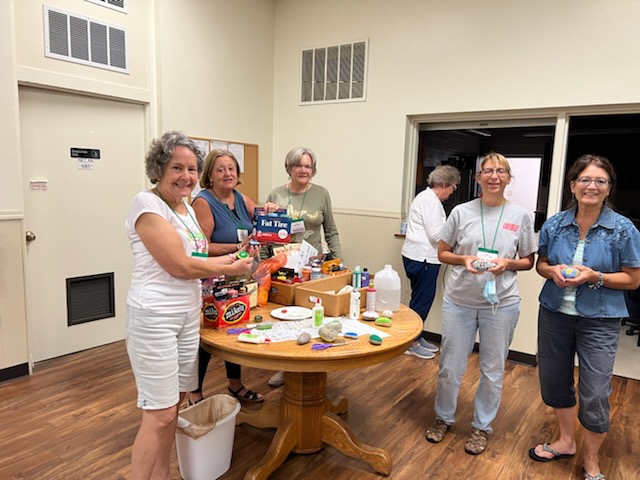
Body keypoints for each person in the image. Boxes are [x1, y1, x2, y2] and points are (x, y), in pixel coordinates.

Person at [125, 131, 253, 480]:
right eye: (177, 168)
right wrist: (232, 267)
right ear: (158, 170)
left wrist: (235, 259)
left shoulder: (185, 208)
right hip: (155, 316)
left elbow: (198, 256)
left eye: (192, 169)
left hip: (186, 315)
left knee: (175, 406)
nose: (186, 176)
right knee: (159, 414)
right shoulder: (146, 205)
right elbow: (179, 266)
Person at [528, 154, 640, 480]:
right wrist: (552, 272)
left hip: (600, 321)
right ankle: (566, 442)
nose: (592, 186)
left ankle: (592, 461)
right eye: (585, 180)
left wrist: (595, 276)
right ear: (573, 185)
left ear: (609, 188)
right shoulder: (555, 224)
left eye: (600, 181)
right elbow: (542, 264)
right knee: (554, 381)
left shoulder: (623, 230)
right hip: (554, 315)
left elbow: (633, 279)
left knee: (595, 392)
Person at [425, 152, 537, 455]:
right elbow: (443, 253)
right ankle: (443, 417)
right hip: (460, 301)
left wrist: (507, 264)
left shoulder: (521, 216)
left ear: (509, 178)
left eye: (501, 171)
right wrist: (464, 259)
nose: (494, 176)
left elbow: (528, 261)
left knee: (492, 370)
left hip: (501, 304)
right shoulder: (461, 212)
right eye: (488, 170)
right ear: (478, 178)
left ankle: (481, 427)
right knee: (450, 367)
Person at [263, 146, 342, 387]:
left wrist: (338, 262)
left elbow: (331, 231)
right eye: (298, 165)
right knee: (284, 316)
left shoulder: (322, 193)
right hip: (283, 266)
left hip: (312, 267)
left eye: (308, 166)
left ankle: (312, 366)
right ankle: (286, 367)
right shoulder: (276, 194)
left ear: (313, 170)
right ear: (289, 167)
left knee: (312, 314)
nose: (303, 170)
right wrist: (265, 264)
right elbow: (266, 232)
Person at [189, 148, 263, 405]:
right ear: (210, 175)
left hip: (238, 276)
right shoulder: (203, 202)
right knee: (207, 338)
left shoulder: (240, 198)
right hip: (213, 278)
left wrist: (270, 210)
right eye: (220, 169)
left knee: (235, 326)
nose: (227, 174)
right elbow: (201, 247)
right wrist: (237, 248)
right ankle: (195, 393)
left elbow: (263, 219)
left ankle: (235, 384)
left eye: (231, 168)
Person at [402, 165, 461, 360]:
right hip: (423, 258)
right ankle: (411, 342)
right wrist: (455, 231)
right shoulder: (430, 202)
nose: (451, 193)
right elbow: (436, 235)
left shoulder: (427, 198)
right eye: (452, 187)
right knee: (422, 301)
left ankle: (416, 336)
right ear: (444, 184)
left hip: (418, 256)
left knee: (420, 298)